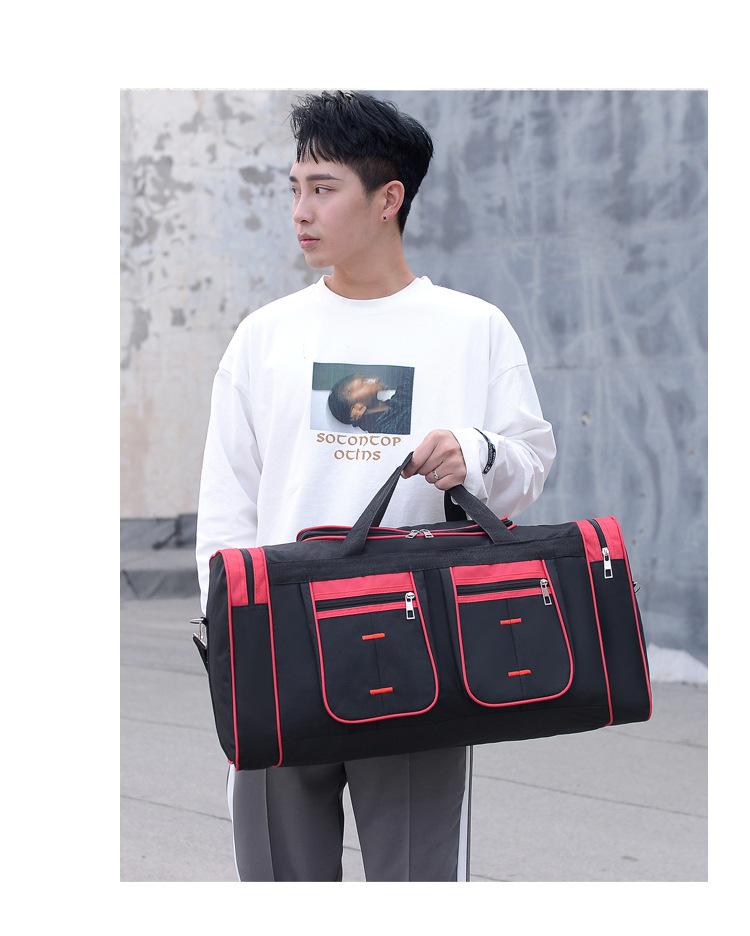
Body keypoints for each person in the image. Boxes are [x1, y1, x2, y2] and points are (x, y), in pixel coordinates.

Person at [195, 90, 557, 882]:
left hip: (421, 644)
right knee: (280, 881)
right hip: (279, 642)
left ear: (388, 199)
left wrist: (475, 451)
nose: (301, 210)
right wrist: (229, 640)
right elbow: (228, 500)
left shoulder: (472, 327)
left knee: (417, 881)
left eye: (323, 188)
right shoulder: (265, 336)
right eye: (296, 187)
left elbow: (529, 461)